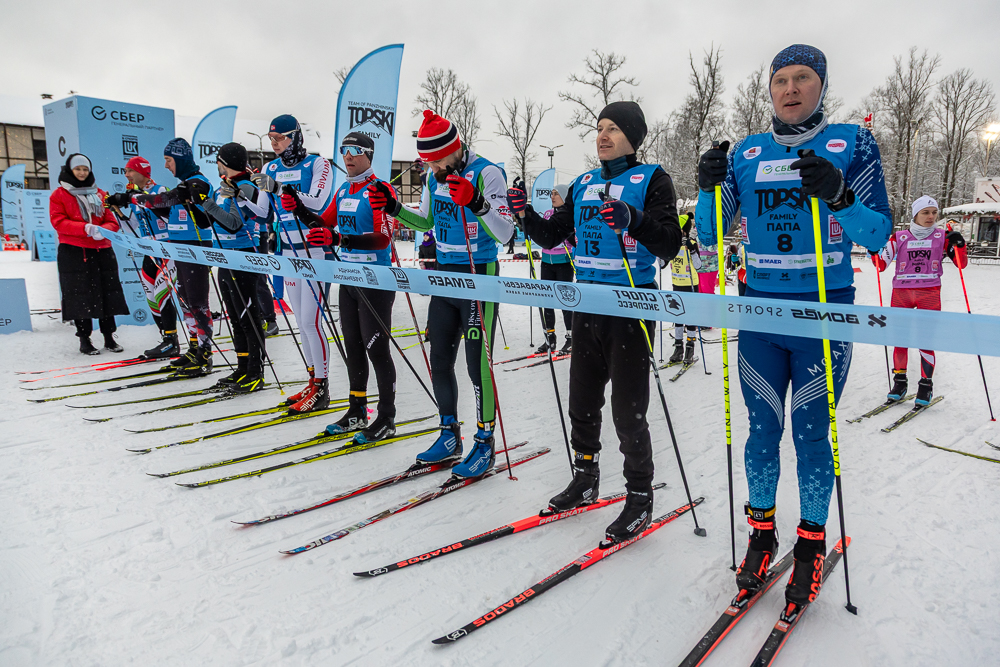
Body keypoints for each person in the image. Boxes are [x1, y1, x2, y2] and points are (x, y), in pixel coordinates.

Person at [695, 44, 892, 608]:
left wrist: (839, 194)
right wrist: (709, 184)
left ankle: (809, 545)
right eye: (780, 79)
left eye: (802, 77)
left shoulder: (852, 142)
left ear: (821, 85)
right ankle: (761, 535)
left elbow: (878, 234)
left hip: (823, 314)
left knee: (810, 435)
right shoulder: (748, 152)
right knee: (761, 432)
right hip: (759, 315)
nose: (789, 88)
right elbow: (711, 235)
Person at [516, 101, 683, 542]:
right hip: (586, 305)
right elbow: (554, 235)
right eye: (599, 128)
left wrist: (634, 219)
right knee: (582, 403)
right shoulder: (585, 183)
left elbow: (670, 244)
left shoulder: (652, 179)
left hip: (630, 305)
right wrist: (524, 215)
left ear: (633, 135)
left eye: (613, 128)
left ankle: (639, 497)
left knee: (629, 414)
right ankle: (586, 476)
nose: (603, 136)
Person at [367, 109, 515, 479]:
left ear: (455, 149)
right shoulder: (434, 179)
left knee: (476, 364)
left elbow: (507, 234)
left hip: (480, 275)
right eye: (425, 161)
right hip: (445, 276)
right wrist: (395, 207)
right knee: (439, 358)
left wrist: (477, 203)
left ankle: (485, 443)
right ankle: (449, 434)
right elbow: (427, 222)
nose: (430, 168)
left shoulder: (486, 173)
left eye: (435, 160)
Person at [291, 131, 399, 443]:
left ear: (368, 154)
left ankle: (387, 417)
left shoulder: (380, 189)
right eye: (344, 150)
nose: (348, 156)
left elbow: (383, 238)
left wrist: (340, 239)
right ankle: (356, 410)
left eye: (354, 150)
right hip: (348, 278)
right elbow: (324, 224)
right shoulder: (343, 189)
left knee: (376, 348)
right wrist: (298, 208)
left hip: (375, 280)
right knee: (352, 346)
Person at [252, 114, 334, 413]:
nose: (274, 145)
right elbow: (263, 213)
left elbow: (317, 201)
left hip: (314, 252)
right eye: (271, 140)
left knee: (312, 322)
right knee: (300, 322)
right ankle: (313, 381)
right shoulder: (269, 168)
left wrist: (281, 190)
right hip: (287, 252)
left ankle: (323, 387)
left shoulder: (317, 164)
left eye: (280, 139)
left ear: (296, 136)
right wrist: (244, 192)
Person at [873, 195, 967, 406]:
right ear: (915, 214)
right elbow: (880, 264)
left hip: (929, 292)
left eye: (934, 212)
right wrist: (874, 246)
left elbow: (961, 264)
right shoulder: (899, 237)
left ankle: (925, 386)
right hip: (901, 293)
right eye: (926, 212)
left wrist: (959, 244)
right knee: (900, 339)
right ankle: (900, 382)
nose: (931, 217)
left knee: (926, 340)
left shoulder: (942, 236)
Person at [138, 138, 217, 376]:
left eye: (168, 160)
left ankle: (205, 355)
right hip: (178, 247)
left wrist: (136, 198)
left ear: (180, 160)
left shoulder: (197, 182)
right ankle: (194, 348)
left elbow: (163, 199)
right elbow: (165, 208)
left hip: (195, 247)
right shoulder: (183, 184)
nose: (166, 166)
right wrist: (146, 204)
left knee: (197, 303)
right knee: (186, 304)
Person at [197, 142, 270, 393]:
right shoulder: (224, 187)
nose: (216, 165)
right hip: (226, 258)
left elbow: (233, 224)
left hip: (243, 258)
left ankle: (255, 371)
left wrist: (207, 204)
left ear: (225, 161)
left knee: (248, 316)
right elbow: (211, 221)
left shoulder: (246, 186)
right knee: (235, 317)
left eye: (218, 161)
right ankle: (242, 367)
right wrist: (197, 204)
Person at [49, 154, 130, 354]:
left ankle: (109, 337)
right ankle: (84, 339)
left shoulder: (100, 194)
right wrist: (85, 228)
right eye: (78, 169)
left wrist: (102, 230)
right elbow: (58, 222)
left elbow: (111, 219)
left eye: (85, 169)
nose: (82, 173)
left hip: (101, 249)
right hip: (74, 252)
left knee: (107, 294)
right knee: (80, 296)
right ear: (70, 171)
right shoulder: (59, 195)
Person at [105, 156, 179, 359]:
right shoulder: (135, 196)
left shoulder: (160, 191)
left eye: (129, 171)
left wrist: (140, 199)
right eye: (126, 171)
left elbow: (168, 216)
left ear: (141, 172)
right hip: (148, 250)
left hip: (166, 249)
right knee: (150, 296)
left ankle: (172, 342)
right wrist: (116, 210)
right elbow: (131, 226)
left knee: (162, 294)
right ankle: (166, 338)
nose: (127, 175)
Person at [524, 182, 575, 355]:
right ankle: (550, 338)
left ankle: (570, 337)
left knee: (565, 301)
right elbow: (541, 233)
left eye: (556, 194)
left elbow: (574, 239)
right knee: (547, 300)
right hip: (547, 262)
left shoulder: (570, 216)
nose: (552, 196)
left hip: (564, 262)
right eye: (551, 193)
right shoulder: (547, 213)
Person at [668, 214, 701, 364]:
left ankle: (690, 347)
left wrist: (692, 249)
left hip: (691, 285)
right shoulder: (672, 244)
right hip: (677, 284)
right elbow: (662, 263)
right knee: (678, 317)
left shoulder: (692, 243)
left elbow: (699, 265)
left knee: (691, 317)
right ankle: (678, 347)